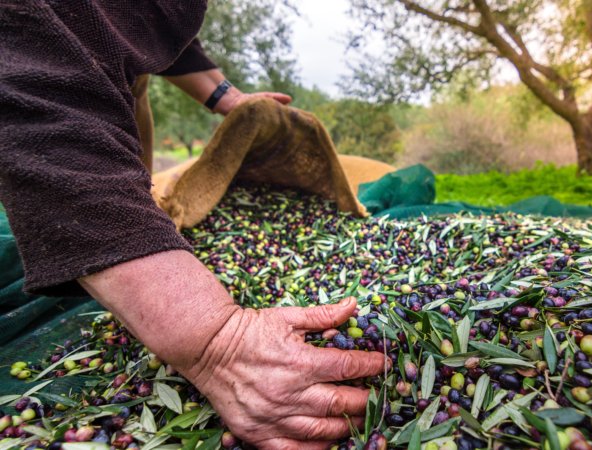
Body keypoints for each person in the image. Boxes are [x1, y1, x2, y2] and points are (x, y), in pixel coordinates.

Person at [0, 1, 386, 449]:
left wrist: (227, 97)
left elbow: (138, 19)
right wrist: (214, 341)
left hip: (105, 90)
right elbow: (39, 94)